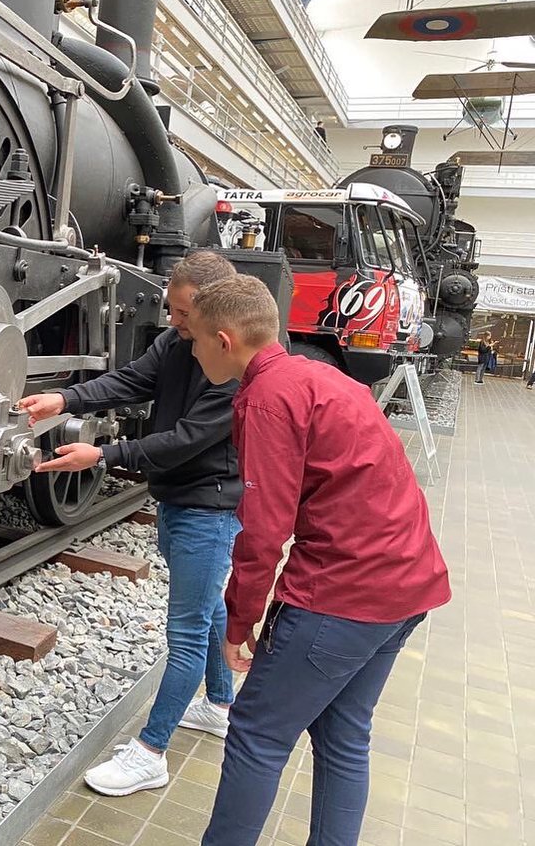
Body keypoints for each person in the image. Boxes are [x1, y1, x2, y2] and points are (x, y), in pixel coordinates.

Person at [187, 275, 451, 846]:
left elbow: (263, 527)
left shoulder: (267, 399)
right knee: (345, 735)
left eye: (195, 339)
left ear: (225, 340)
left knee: (257, 733)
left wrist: (239, 621)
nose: (192, 349)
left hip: (343, 596)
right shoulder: (322, 376)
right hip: (407, 585)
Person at [17, 251, 242, 797]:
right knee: (208, 608)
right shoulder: (178, 344)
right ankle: (219, 704)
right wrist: (64, 397)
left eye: (182, 312)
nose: (172, 320)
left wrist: (102, 456)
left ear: (214, 315)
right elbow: (131, 381)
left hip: (209, 510)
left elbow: (183, 441)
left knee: (185, 632)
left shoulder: (231, 367)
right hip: (181, 502)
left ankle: (151, 753)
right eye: (171, 306)